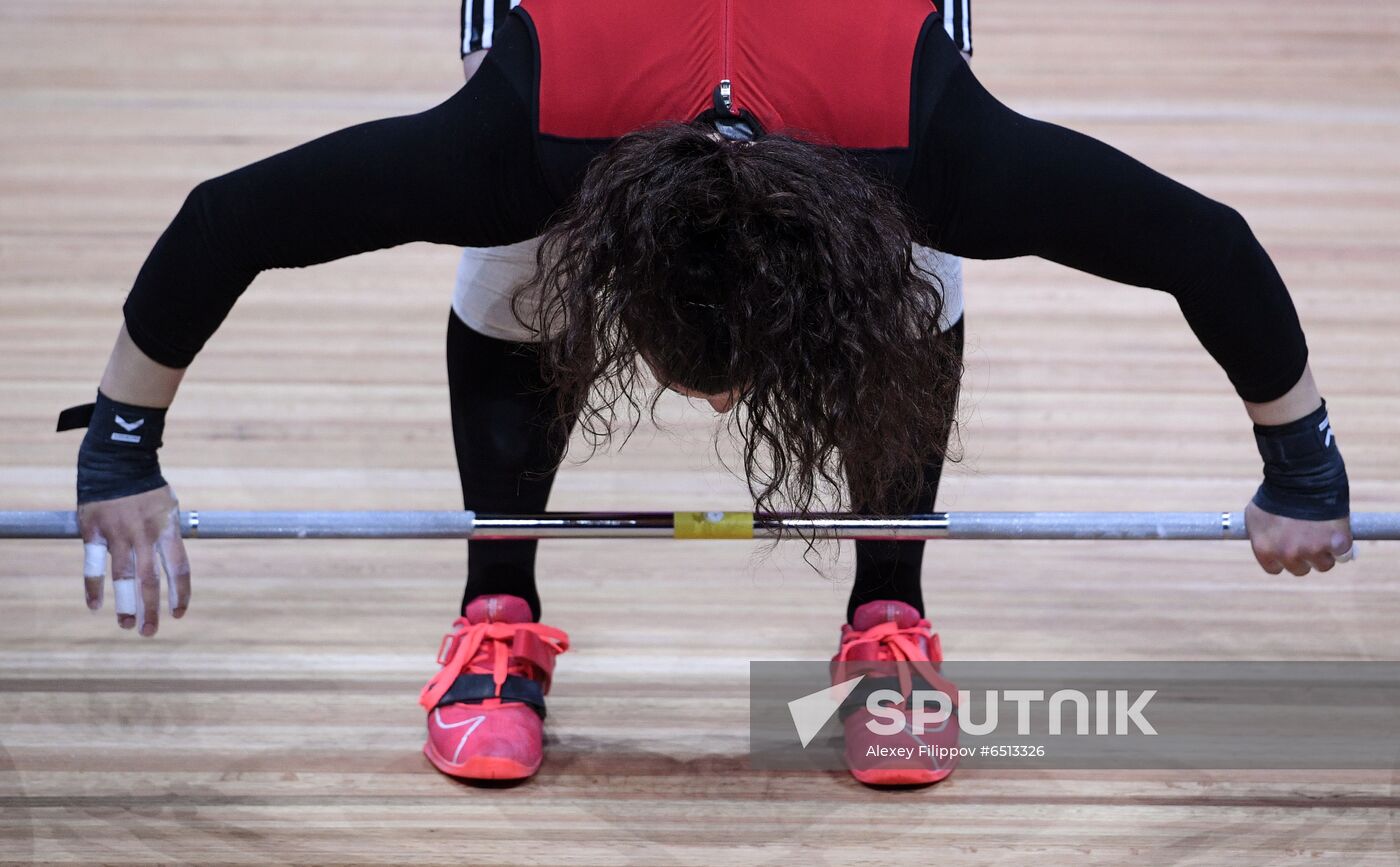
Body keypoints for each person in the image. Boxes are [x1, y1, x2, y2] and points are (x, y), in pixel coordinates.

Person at [67, 0, 1353, 788]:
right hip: (589, 66)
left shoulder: (933, 148)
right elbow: (229, 218)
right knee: (517, 256)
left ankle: (886, 619)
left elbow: (1205, 243)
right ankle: (494, 609)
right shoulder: (519, 147)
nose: (729, 412)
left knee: (915, 259)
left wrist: (1308, 467)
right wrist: (117, 451)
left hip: (854, 86)